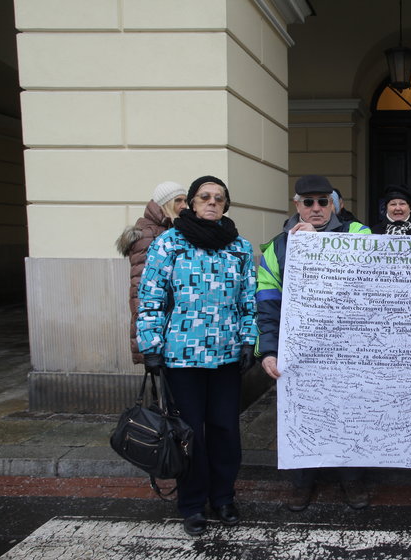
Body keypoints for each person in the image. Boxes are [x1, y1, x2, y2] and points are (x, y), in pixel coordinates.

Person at [137, 176, 257, 537]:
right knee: (189, 435)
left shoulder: (239, 248)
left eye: (219, 198)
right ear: (189, 203)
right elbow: (151, 299)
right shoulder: (167, 245)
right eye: (204, 197)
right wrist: (151, 346)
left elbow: (248, 300)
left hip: (225, 356)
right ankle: (191, 503)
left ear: (225, 205)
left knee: (224, 430)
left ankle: (223, 497)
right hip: (181, 357)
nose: (212, 202)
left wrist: (248, 341)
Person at [256, 174, 371, 512]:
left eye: (324, 201)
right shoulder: (277, 246)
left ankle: (353, 480)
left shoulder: (358, 233)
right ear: (297, 206)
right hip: (301, 351)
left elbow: (372, 271)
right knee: (302, 415)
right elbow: (267, 301)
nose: (317, 208)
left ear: (334, 203)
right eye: (309, 202)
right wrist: (269, 350)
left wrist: (318, 244)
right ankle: (302, 482)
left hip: (350, 348)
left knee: (349, 414)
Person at [116, 181, 187, 365]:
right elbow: (141, 289)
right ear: (165, 204)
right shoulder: (148, 234)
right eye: (178, 200)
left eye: (185, 200)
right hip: (159, 326)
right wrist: (149, 342)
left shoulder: (174, 228)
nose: (184, 206)